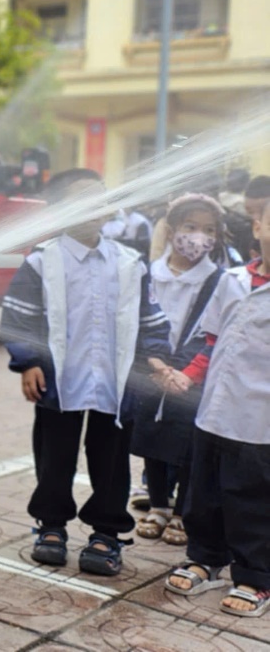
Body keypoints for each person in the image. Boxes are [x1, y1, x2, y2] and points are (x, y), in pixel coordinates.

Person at [1, 169, 172, 578]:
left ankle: (106, 533)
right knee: (54, 456)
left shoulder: (130, 263)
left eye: (100, 198)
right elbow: (20, 320)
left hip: (115, 384)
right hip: (60, 381)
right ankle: (52, 526)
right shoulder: (43, 262)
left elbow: (147, 316)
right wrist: (28, 362)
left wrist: (155, 357)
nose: (94, 207)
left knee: (111, 461)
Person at [162, 195, 270, 619]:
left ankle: (255, 577)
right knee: (202, 492)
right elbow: (211, 341)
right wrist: (188, 375)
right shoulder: (233, 280)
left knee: (253, 499)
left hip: (260, 423)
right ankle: (204, 558)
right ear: (257, 225)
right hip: (214, 413)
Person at [130, 194, 226, 546]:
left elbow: (211, 330)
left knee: (188, 442)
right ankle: (158, 504)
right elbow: (137, 321)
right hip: (152, 369)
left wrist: (182, 371)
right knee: (152, 436)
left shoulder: (217, 280)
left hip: (193, 375)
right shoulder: (148, 272)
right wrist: (155, 364)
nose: (199, 236)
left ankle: (183, 512)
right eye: (190, 227)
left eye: (208, 230)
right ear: (171, 231)